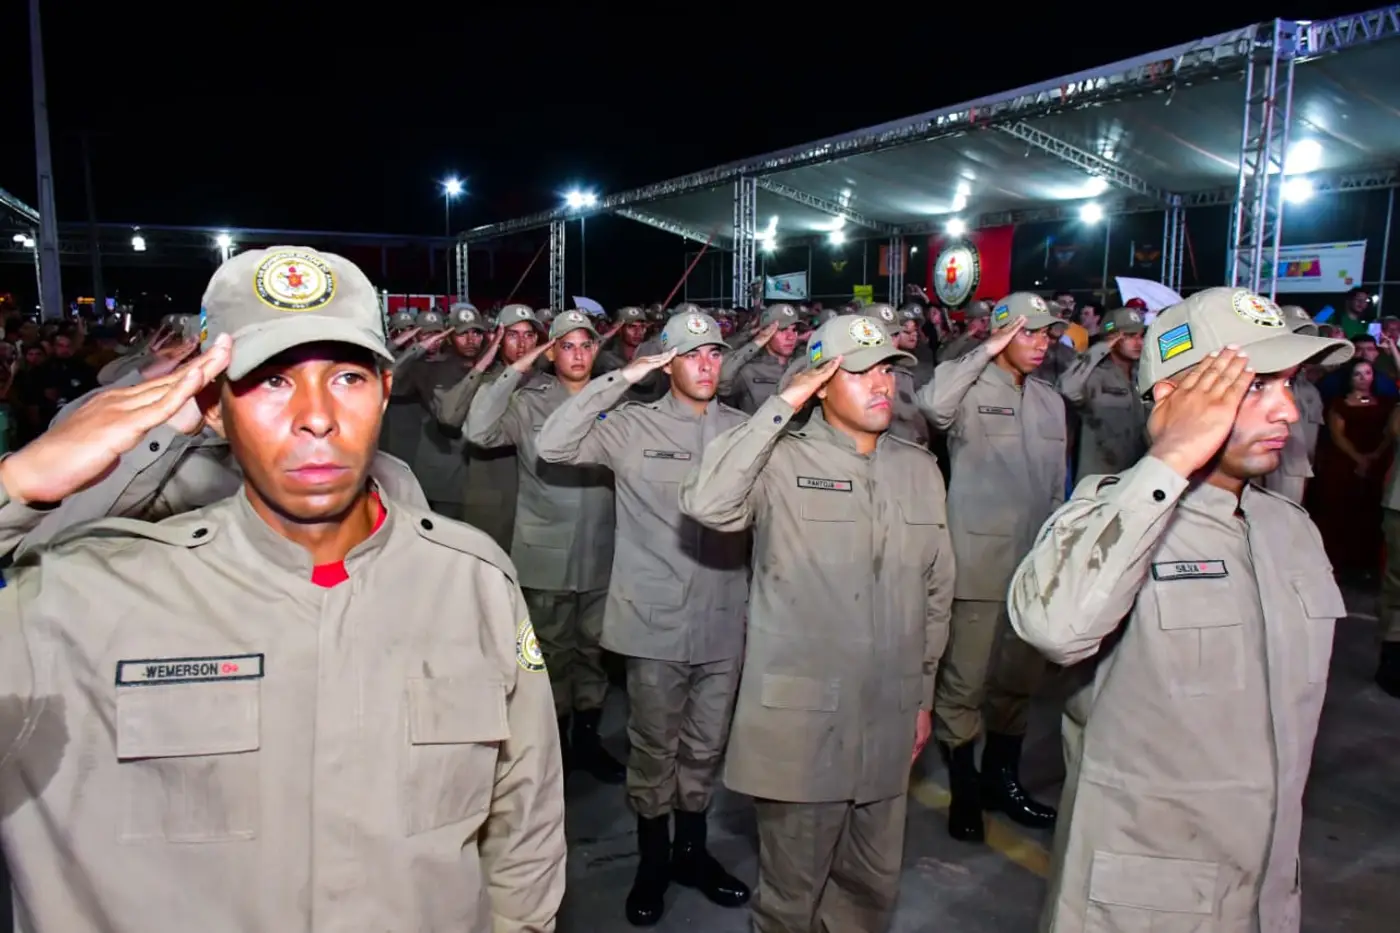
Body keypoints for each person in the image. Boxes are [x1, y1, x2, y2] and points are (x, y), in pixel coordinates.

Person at [0, 246, 565, 931]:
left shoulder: (469, 582)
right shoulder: (85, 598)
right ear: (209, 406)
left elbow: (524, 823)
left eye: (348, 377)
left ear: (385, 392)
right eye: (271, 381)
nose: (316, 416)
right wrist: (16, 486)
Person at [1008, 286, 1350, 933]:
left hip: (1266, 892)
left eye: (1289, 384)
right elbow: (1054, 626)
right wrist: (1170, 459)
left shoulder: (1291, 527)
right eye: (1255, 386)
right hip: (1144, 902)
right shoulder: (1108, 514)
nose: (1286, 410)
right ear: (1173, 397)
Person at [680, 314, 955, 933]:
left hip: (888, 717)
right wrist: (783, 404)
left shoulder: (918, 469)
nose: (881, 384)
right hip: (803, 727)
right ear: (821, 383)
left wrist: (922, 696)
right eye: (860, 372)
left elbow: (936, 592)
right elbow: (705, 501)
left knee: (869, 892)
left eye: (887, 370)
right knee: (790, 902)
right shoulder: (778, 461)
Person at [535, 310, 751, 927]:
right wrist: (623, 377)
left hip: (723, 616)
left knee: (705, 748)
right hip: (654, 621)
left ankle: (692, 851)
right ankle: (653, 859)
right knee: (655, 748)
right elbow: (553, 444)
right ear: (666, 362)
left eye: (714, 353)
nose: (706, 365)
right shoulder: (630, 425)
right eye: (691, 354)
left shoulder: (743, 429)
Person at [916, 292, 1066, 841]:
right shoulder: (970, 389)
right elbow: (932, 405)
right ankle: (965, 788)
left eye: (1046, 334)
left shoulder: (1051, 402)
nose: (1041, 343)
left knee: (1018, 682)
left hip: (1033, 567)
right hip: (979, 563)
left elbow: (1055, 488)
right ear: (1003, 334)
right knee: (966, 682)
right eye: (1029, 332)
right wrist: (983, 351)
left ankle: (1004, 781)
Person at [466, 309, 625, 783]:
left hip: (603, 551)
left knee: (594, 652)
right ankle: (553, 748)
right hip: (545, 554)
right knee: (548, 657)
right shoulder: (529, 402)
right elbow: (477, 431)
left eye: (586, 345)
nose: (577, 355)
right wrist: (515, 370)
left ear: (596, 350)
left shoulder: (615, 400)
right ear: (551, 353)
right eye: (566, 346)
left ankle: (588, 739)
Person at [1057, 307, 1149, 482]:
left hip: (1137, 478)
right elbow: (1066, 389)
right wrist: (1100, 348)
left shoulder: (1144, 374)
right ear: (1111, 338)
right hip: (1100, 480)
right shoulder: (1093, 375)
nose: (1138, 343)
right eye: (1130, 336)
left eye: (1140, 336)